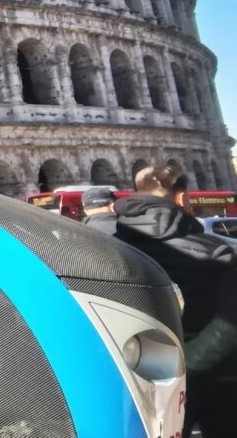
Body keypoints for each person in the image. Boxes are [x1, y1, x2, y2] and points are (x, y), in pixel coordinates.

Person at [86, 164, 237, 437]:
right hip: (214, 379)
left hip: (134, 377)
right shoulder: (220, 254)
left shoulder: (103, 251)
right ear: (181, 198)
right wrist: (183, 370)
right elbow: (230, 326)